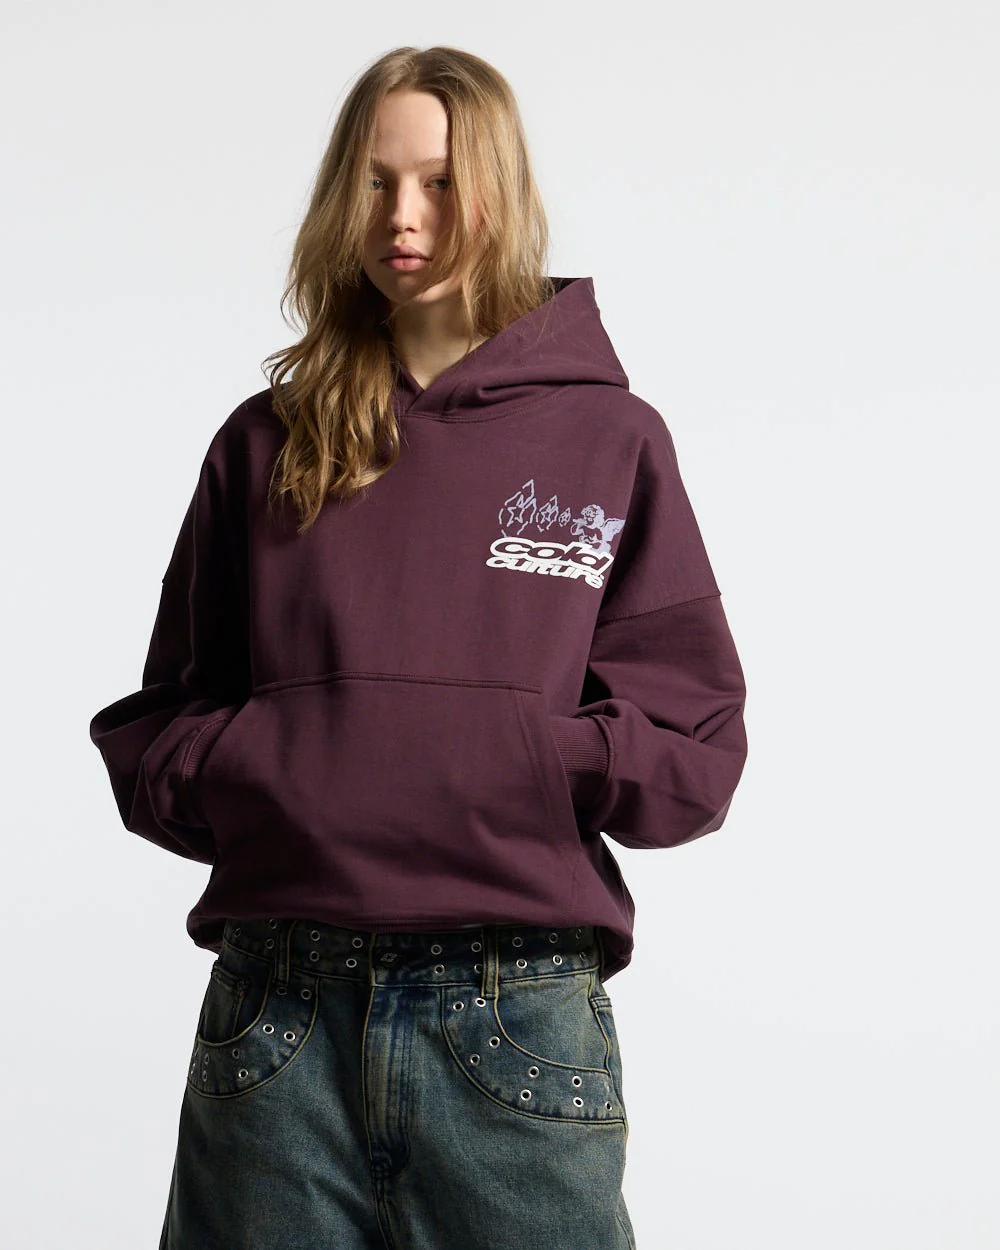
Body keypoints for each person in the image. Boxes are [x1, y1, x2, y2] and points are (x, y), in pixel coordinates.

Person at [88, 44, 748, 1250]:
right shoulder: (267, 440)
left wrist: (519, 753)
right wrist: (289, 761)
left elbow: (695, 755)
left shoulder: (610, 439)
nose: (404, 216)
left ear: (498, 191)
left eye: (440, 183)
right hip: (278, 1018)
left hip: (516, 1016)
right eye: (376, 181)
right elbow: (162, 728)